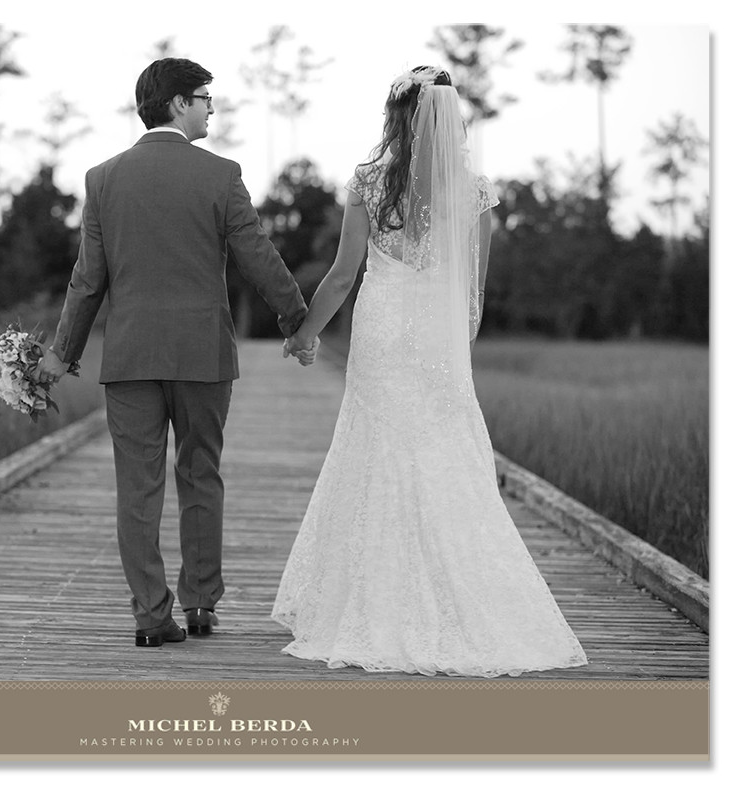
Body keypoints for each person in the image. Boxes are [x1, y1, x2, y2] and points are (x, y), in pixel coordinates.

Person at [270, 66, 588, 677]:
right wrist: (451, 347)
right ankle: (465, 604)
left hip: (383, 333)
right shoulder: (475, 191)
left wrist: (305, 334)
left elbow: (343, 275)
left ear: (399, 116)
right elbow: (474, 292)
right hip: (437, 342)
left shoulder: (368, 181)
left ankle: (375, 601)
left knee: (377, 453)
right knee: (443, 454)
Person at [38, 58, 316, 648]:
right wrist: (297, 322)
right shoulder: (220, 176)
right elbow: (258, 256)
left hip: (132, 358)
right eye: (205, 97)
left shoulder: (104, 178)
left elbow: (88, 281)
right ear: (177, 104)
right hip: (202, 357)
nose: (212, 107)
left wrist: (62, 354)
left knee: (136, 488)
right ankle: (200, 605)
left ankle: (150, 615)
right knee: (200, 474)